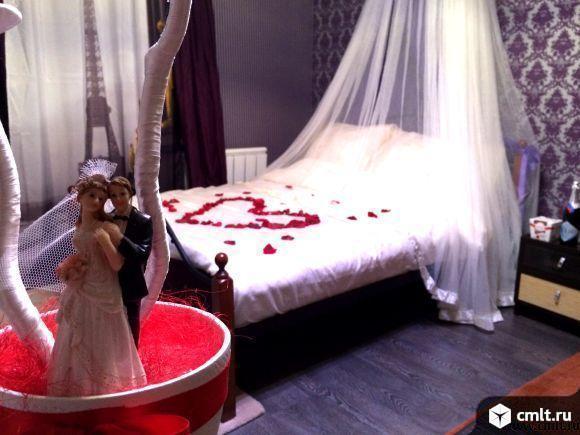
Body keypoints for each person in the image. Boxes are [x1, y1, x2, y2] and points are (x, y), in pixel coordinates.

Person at [47, 174, 147, 396]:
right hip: (82, 284)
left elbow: (117, 264)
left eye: (101, 199)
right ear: (80, 197)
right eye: (92, 196)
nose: (96, 201)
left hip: (103, 285)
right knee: (76, 328)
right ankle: (78, 383)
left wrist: (105, 242)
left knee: (103, 332)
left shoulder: (107, 227)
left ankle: (105, 383)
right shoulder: (80, 226)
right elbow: (84, 253)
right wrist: (72, 265)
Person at [107, 176, 153, 347]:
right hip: (108, 279)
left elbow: (142, 255)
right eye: (113, 195)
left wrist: (119, 238)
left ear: (130, 193)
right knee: (111, 320)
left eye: (122, 194)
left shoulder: (143, 221)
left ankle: (133, 352)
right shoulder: (107, 219)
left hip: (131, 282)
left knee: (132, 321)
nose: (118, 199)